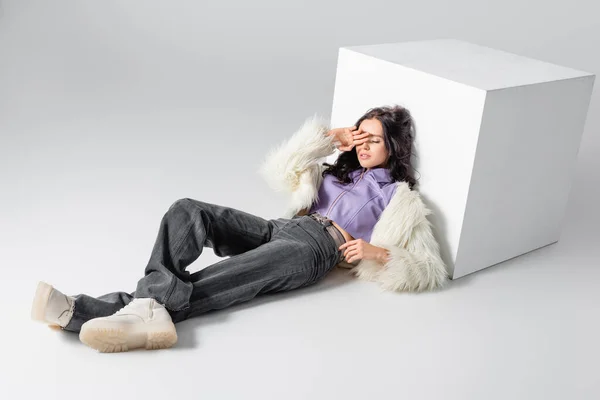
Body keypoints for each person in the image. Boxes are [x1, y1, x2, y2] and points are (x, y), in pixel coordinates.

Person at [30, 105, 448, 353]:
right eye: (360, 135)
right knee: (189, 210)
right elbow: (279, 169)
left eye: (374, 139)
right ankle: (145, 310)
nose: (363, 145)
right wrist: (326, 138)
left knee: (222, 280)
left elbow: (427, 267)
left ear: (394, 146)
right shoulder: (332, 171)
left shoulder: (401, 198)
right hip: (282, 227)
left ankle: (82, 311)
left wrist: (376, 253)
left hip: (316, 249)